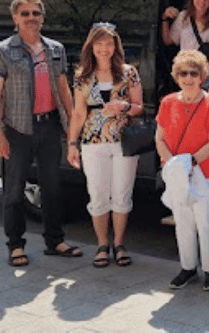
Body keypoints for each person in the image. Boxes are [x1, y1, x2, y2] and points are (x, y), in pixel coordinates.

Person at [0, 0, 80, 266]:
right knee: (13, 191)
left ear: (42, 17)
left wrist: (71, 130)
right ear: (15, 18)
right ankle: (15, 245)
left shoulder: (54, 49)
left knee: (52, 188)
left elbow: (63, 89)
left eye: (36, 13)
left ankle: (54, 241)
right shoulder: (4, 50)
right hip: (17, 129)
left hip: (49, 127)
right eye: (25, 13)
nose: (31, 18)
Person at [66, 23, 143, 268]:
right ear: (92, 46)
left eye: (109, 43)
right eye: (99, 43)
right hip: (93, 142)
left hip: (125, 142)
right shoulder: (82, 76)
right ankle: (102, 245)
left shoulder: (129, 72)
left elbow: (140, 108)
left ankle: (119, 244)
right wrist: (71, 144)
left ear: (115, 46)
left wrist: (124, 107)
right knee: (98, 194)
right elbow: (78, 114)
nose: (104, 48)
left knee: (122, 194)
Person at [155, 50, 209, 291]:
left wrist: (189, 163)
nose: (188, 78)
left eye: (193, 73)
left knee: (207, 222)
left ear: (202, 76)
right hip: (176, 173)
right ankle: (187, 268)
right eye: (183, 73)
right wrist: (174, 165)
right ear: (176, 76)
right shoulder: (168, 102)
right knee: (183, 222)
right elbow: (159, 139)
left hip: (208, 171)